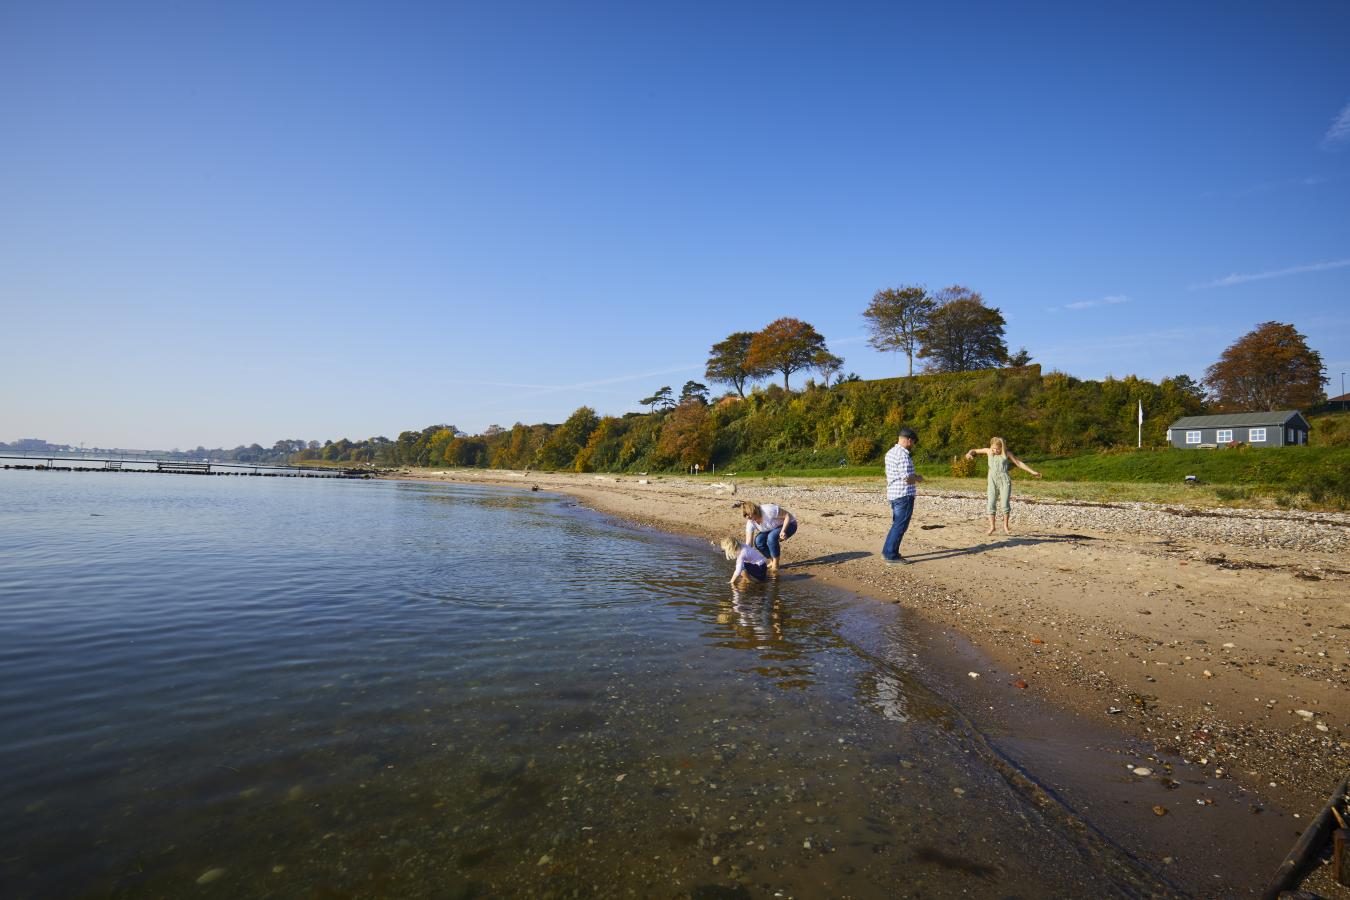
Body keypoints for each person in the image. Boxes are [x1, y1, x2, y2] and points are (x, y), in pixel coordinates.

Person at [964, 436, 1041, 535]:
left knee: (1005, 504)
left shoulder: (1007, 454)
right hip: (992, 481)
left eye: (997, 448)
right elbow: (974, 450)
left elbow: (1018, 463)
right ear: (991, 446)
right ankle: (992, 527)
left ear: (1002, 447)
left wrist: (1032, 472)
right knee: (991, 503)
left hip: (1005, 481)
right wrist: (969, 453)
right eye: (993, 448)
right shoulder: (988, 451)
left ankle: (1005, 526)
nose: (995, 450)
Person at [882, 427, 923, 563]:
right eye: (913, 442)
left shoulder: (890, 452)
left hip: (894, 494)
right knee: (900, 525)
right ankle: (890, 555)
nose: (913, 445)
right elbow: (907, 478)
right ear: (909, 440)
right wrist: (918, 478)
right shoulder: (903, 455)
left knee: (897, 524)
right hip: (904, 494)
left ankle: (888, 552)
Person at [740, 500, 797, 574]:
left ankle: (776, 565)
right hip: (772, 528)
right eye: (745, 516)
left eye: (748, 514)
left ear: (753, 511)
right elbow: (748, 544)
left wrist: (783, 531)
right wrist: (744, 559)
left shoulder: (768, 510)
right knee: (758, 541)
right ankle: (772, 561)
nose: (748, 518)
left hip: (790, 525)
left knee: (771, 537)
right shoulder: (750, 522)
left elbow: (787, 516)